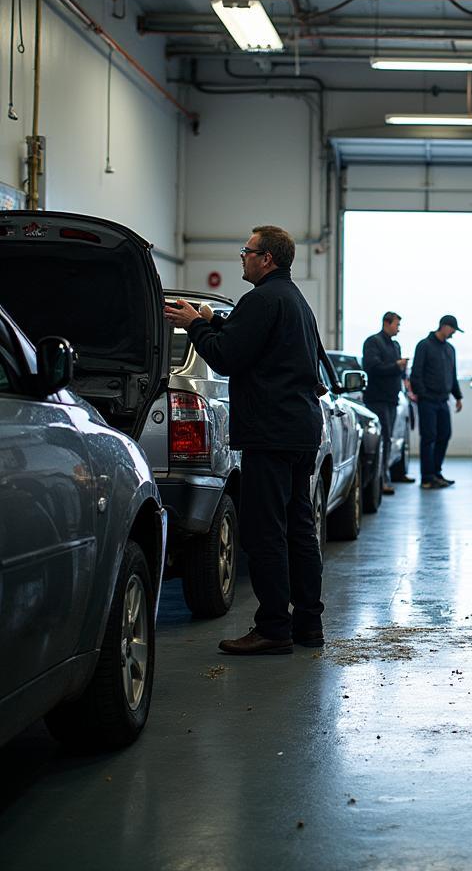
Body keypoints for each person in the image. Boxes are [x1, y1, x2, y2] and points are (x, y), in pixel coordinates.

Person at [164, 225, 324, 657]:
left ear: (267, 258)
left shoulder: (261, 299)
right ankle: (309, 624)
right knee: (299, 529)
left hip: (270, 433)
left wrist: (195, 326)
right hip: (298, 431)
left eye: (247, 251)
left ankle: (273, 628)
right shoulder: (293, 301)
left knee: (266, 532)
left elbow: (227, 357)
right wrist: (215, 320)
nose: (242, 257)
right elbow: (251, 341)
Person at [361, 311, 414, 493]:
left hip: (391, 399)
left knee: (388, 439)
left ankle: (385, 477)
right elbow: (372, 367)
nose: (398, 329)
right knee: (382, 440)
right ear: (386, 322)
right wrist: (396, 365)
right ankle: (380, 481)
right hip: (378, 399)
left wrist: (402, 372)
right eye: (396, 325)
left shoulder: (394, 345)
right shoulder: (373, 342)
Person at [410, 315, 464, 489]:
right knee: (429, 437)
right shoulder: (424, 346)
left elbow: (452, 375)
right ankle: (427, 477)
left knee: (444, 435)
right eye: (453, 329)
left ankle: (436, 472)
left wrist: (458, 396)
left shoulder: (450, 349)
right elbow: (416, 373)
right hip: (428, 401)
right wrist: (422, 394)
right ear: (445, 326)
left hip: (443, 401)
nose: (454, 333)